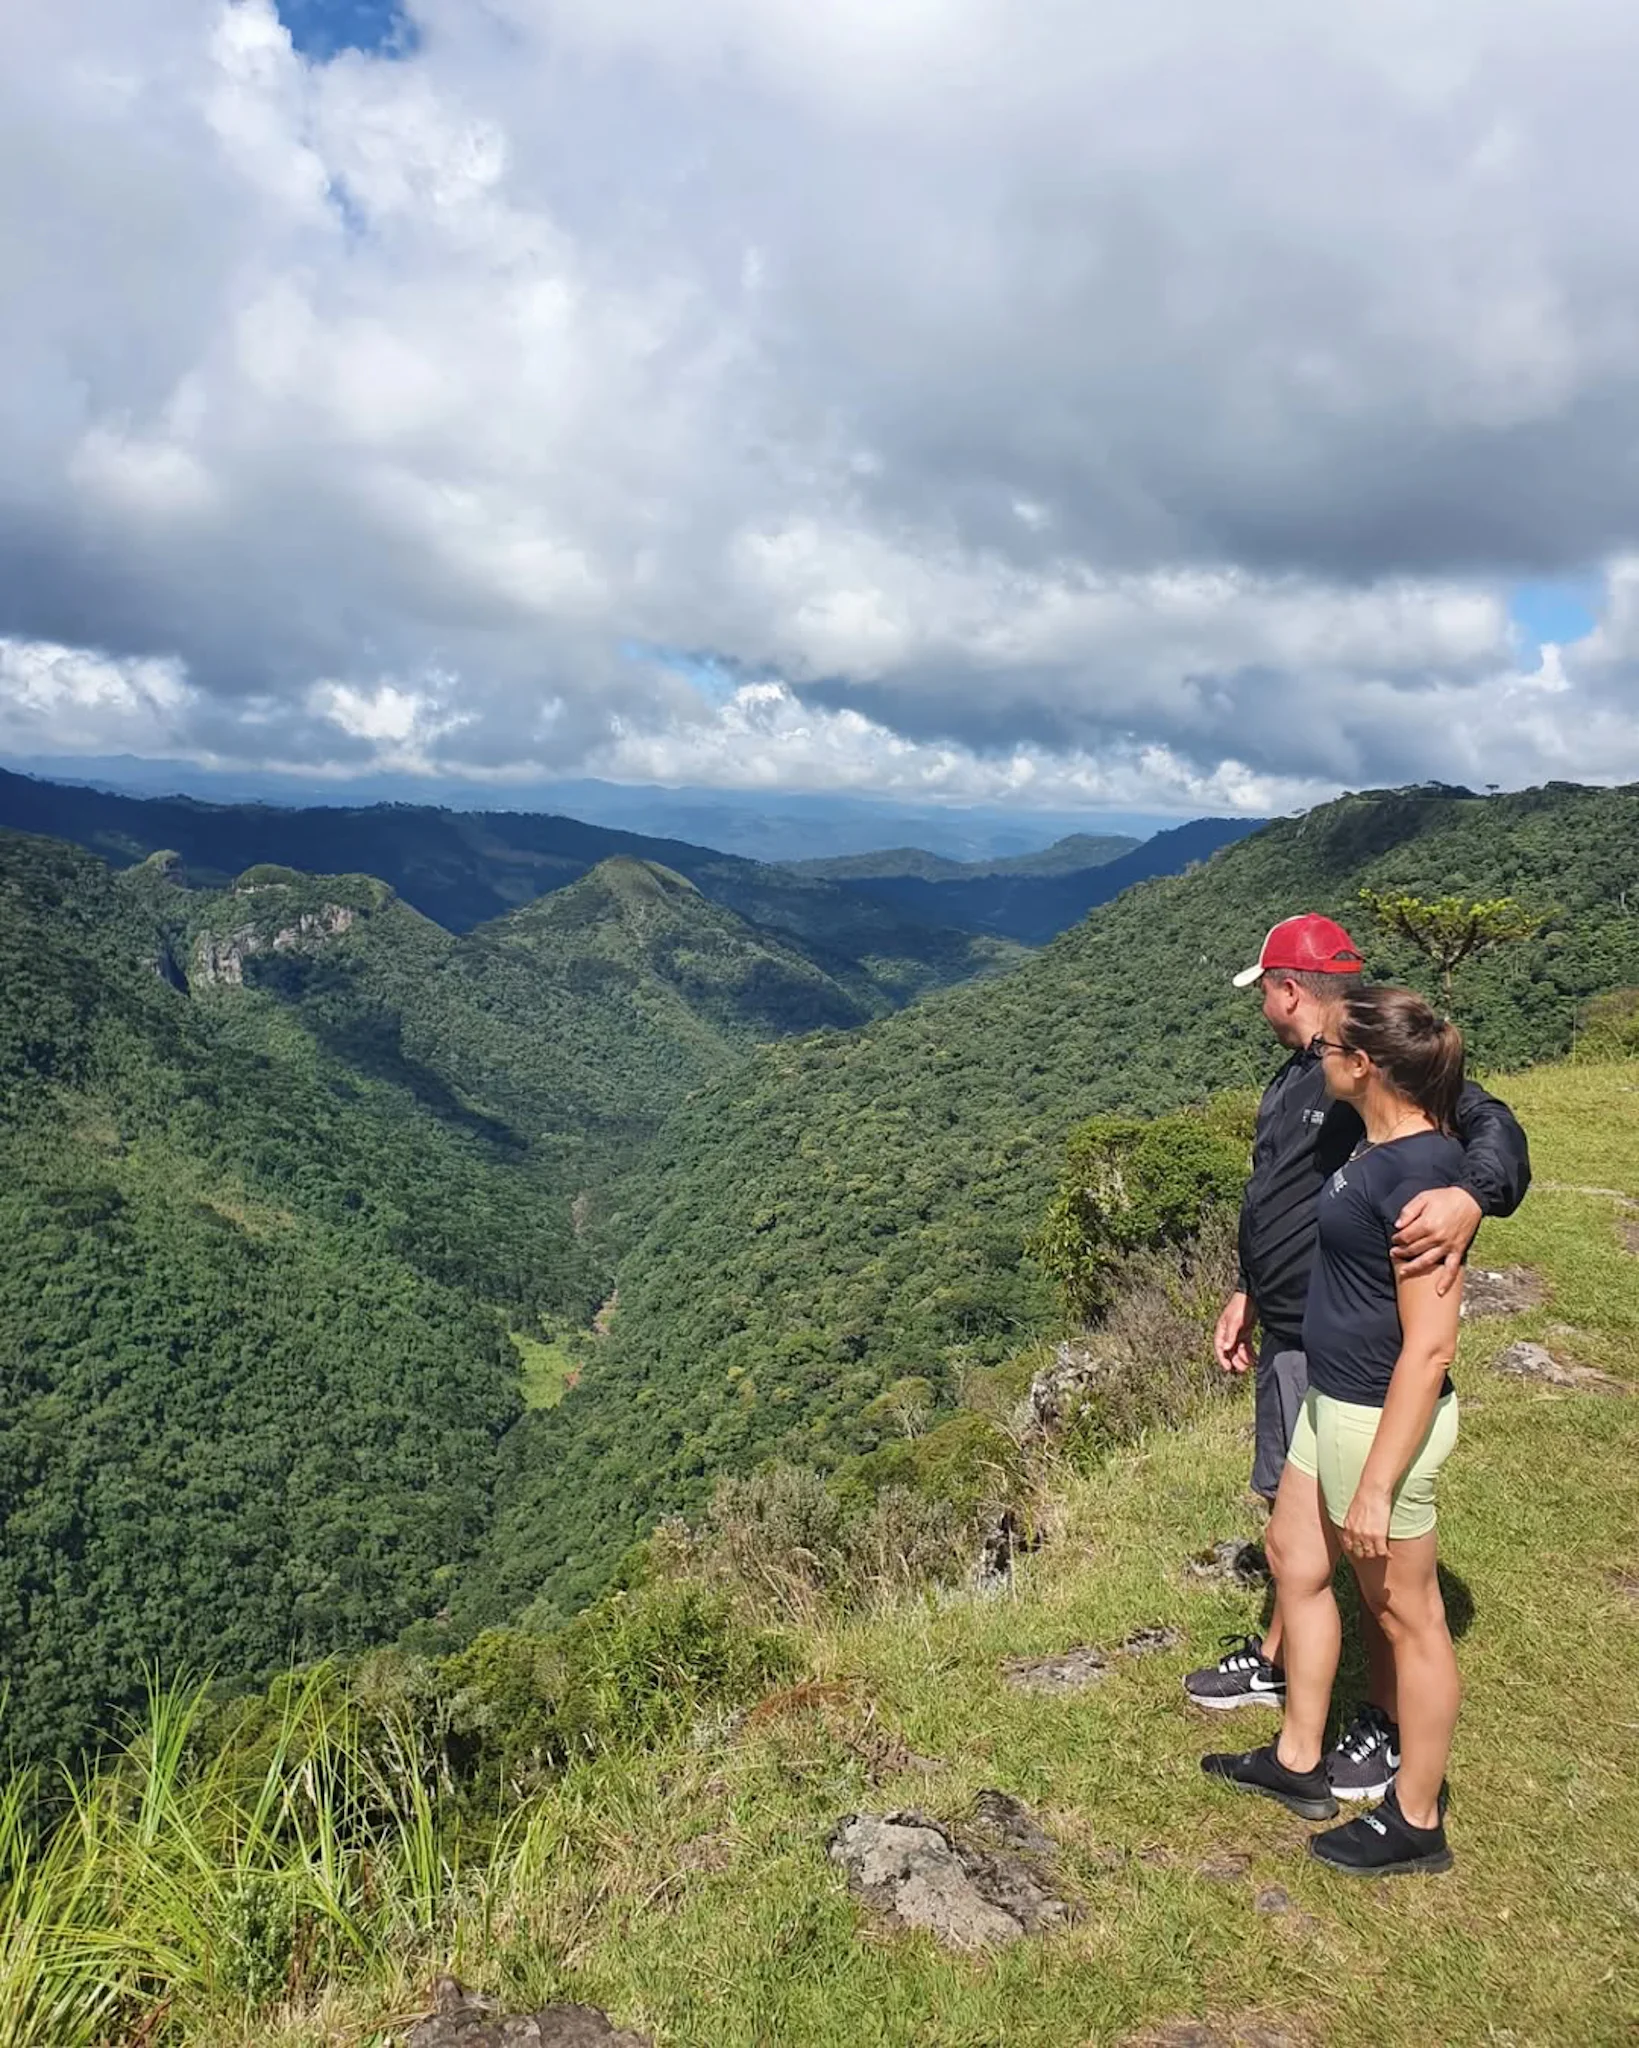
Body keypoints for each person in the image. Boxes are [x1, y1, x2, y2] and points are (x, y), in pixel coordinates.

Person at [1183, 915, 1529, 1805]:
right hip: (1296, 1328)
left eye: (1263, 987)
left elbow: (1490, 1128)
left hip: (1352, 1358)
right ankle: (1279, 1668)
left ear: (1289, 989)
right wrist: (1246, 1287)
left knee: (1372, 1565)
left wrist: (1469, 1197)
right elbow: (1276, 1188)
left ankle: (1377, 1728)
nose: (1259, 1003)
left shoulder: (1377, 1068)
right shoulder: (1306, 1073)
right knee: (1294, 1532)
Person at [1202, 984, 1477, 1875]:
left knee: (1406, 1617)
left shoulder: (1424, 1178)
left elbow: (1430, 1349)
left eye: (1331, 1052)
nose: (1315, 1057)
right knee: (1294, 1560)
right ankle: (1296, 1761)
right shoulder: (1375, 1144)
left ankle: (1416, 1817)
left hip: (1375, 1419)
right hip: (1332, 1401)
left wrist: (1375, 1484)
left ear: (1362, 1067)